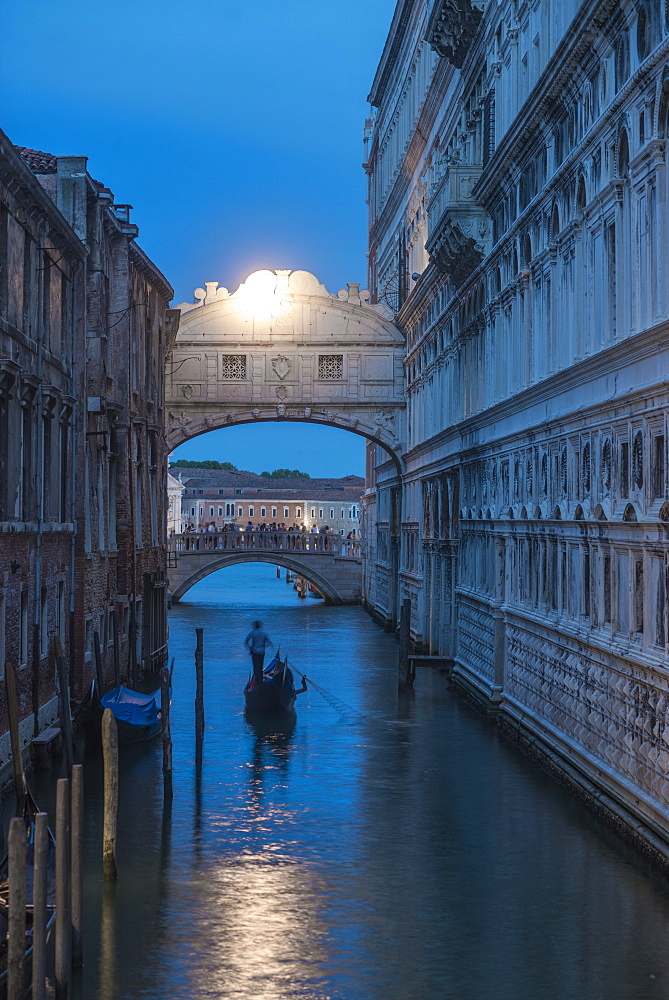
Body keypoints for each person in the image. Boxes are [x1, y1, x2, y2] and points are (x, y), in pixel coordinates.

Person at [244, 620, 273, 684]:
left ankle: (258, 682)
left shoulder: (253, 633)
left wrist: (250, 648)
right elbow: (269, 643)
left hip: (255, 652)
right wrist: (264, 646)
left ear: (254, 626)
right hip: (262, 652)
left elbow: (246, 641)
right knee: (260, 666)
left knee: (256, 666)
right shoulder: (264, 633)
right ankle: (260, 681)